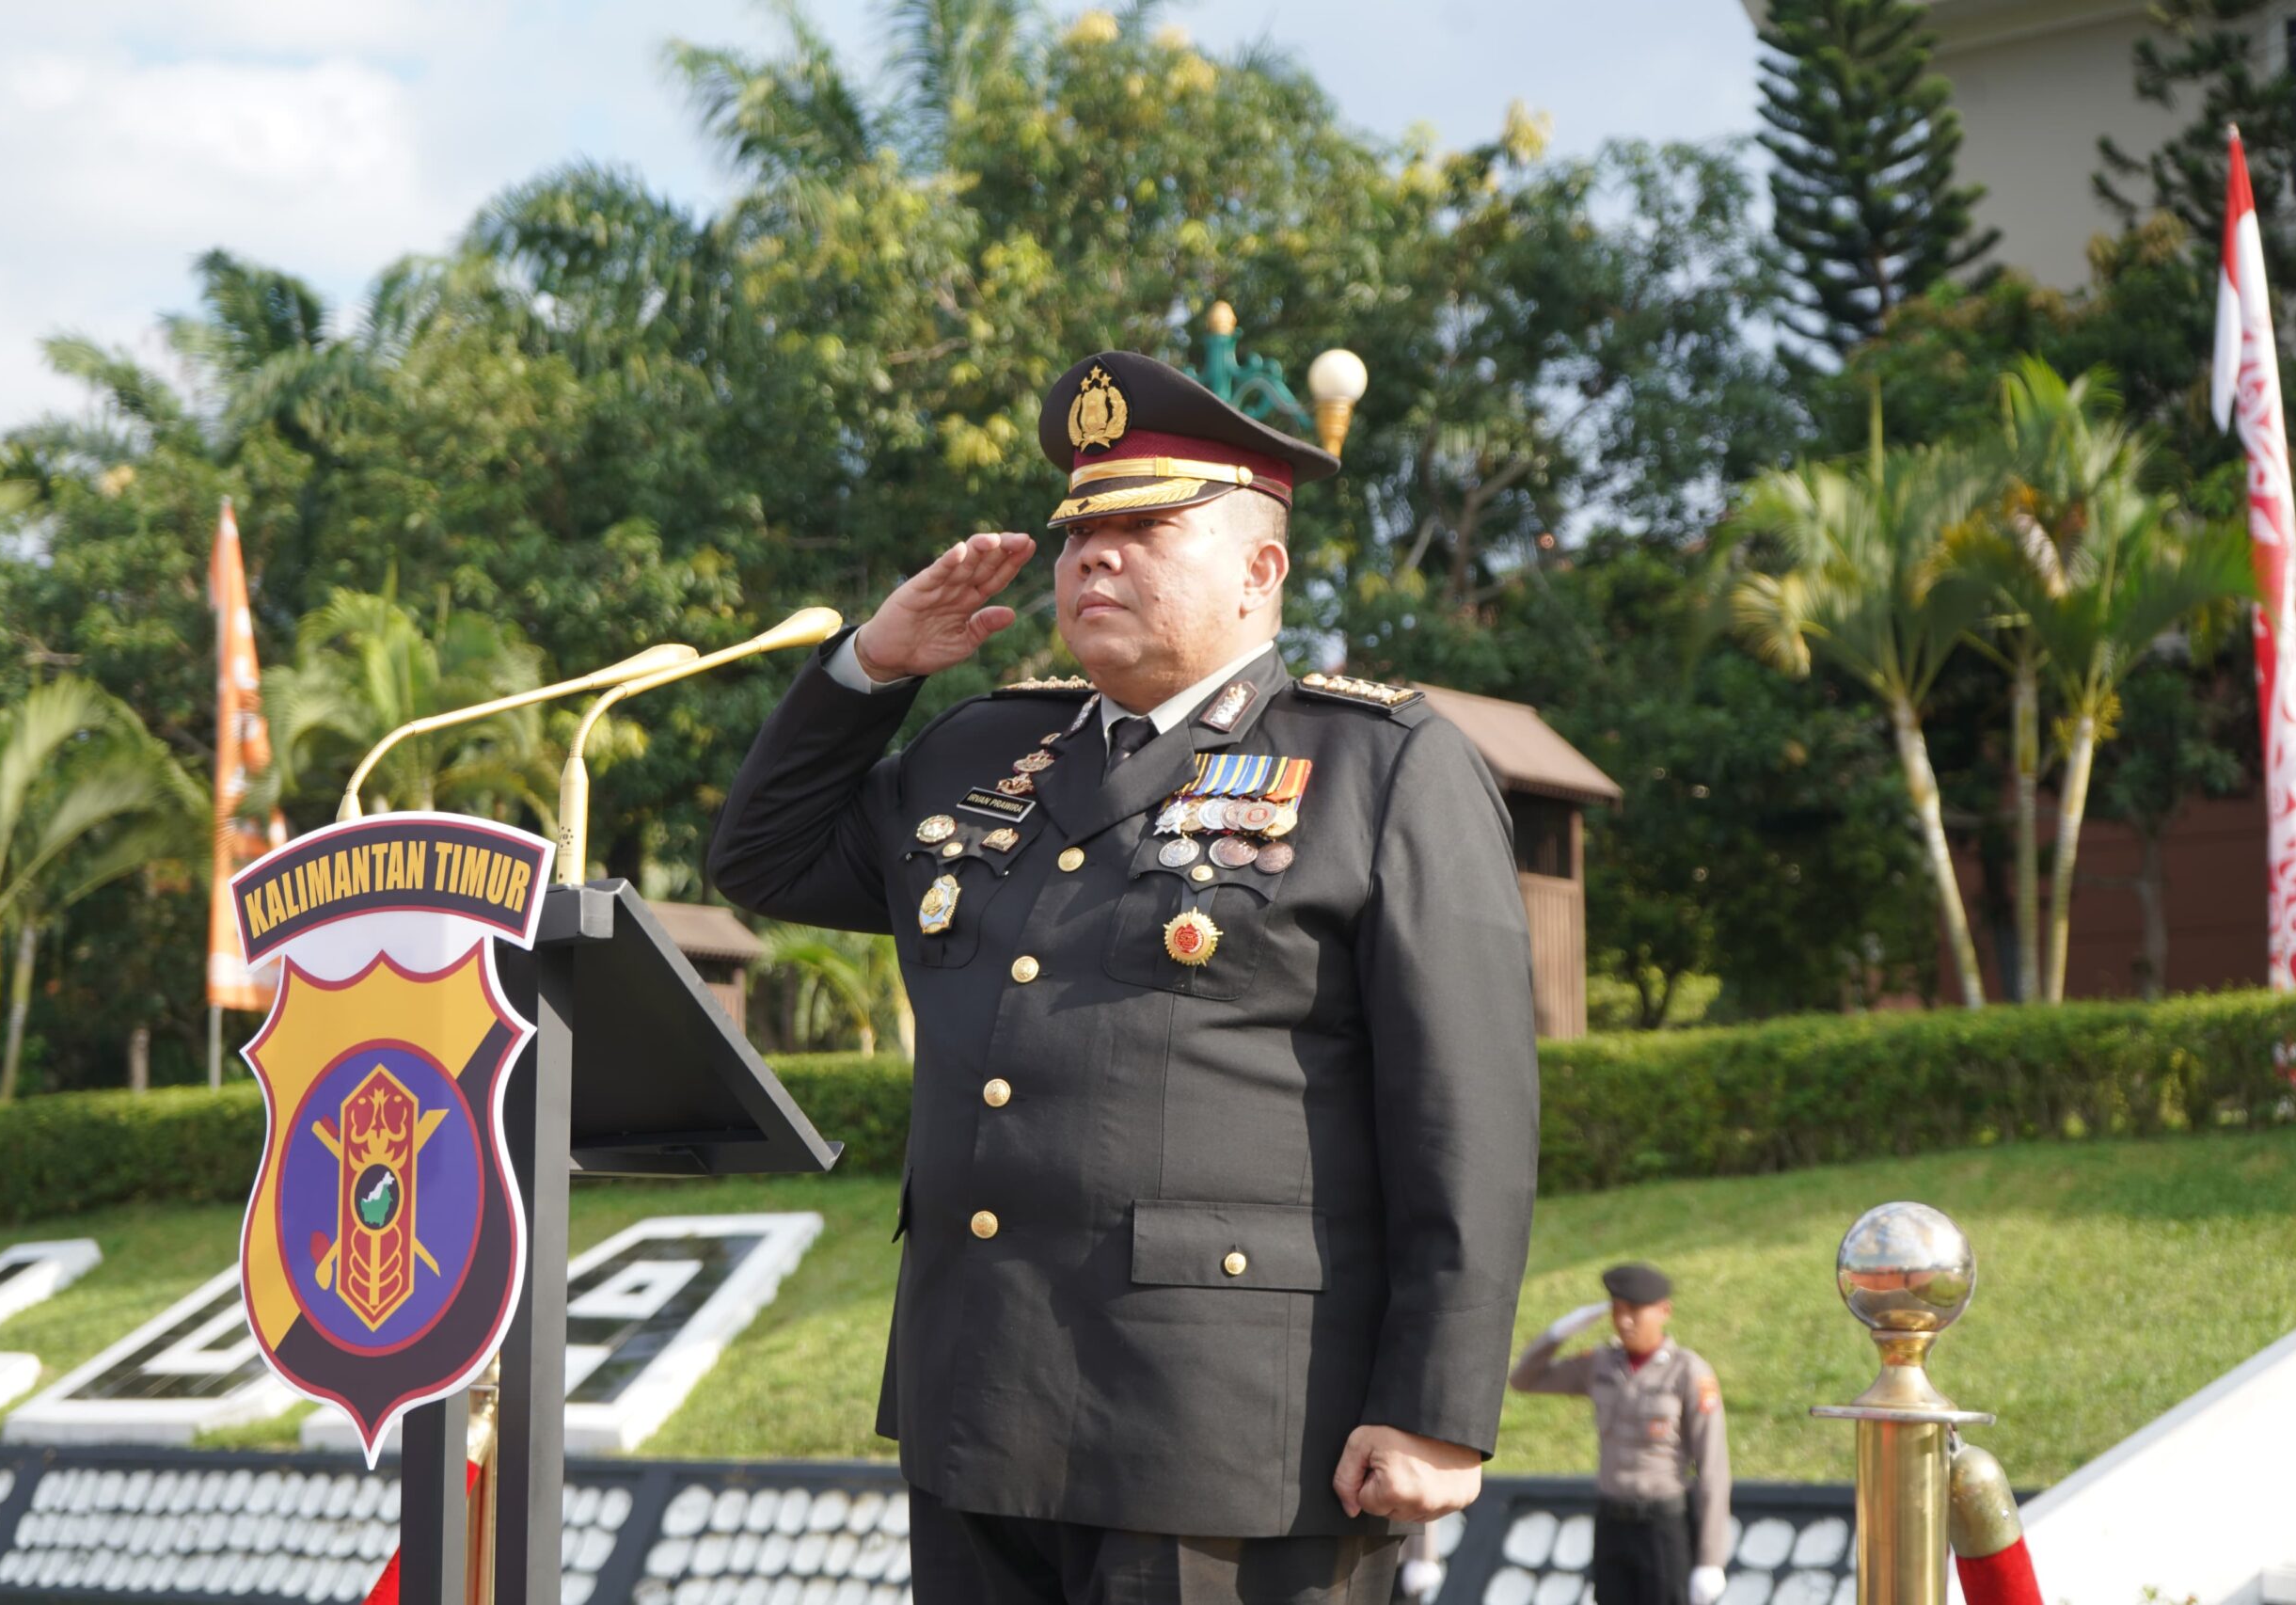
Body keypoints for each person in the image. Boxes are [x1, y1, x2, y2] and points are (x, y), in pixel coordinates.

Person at [707, 349, 1541, 1604]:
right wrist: (875, 662)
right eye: (1081, 530)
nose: (1096, 554)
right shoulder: (982, 748)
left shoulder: (1379, 763)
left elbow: (1465, 1109)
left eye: (1147, 526)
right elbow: (762, 857)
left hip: (1229, 1429)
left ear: (1263, 568)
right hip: (979, 1406)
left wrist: (1437, 1406)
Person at [1508, 1263, 1732, 1605]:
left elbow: (1713, 1468)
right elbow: (1524, 1380)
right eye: (1617, 1311)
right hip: (1612, 1522)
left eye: (1634, 1312)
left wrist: (1710, 1560)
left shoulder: (1687, 1372)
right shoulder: (1601, 1364)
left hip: (1663, 1524)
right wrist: (1557, 1334)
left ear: (1663, 1311)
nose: (1624, 1322)